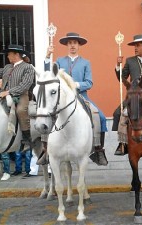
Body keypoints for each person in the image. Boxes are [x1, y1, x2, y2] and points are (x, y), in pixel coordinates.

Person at [42, 32, 108, 166]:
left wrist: (75, 85)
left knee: (100, 117)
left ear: (79, 46)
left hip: (81, 96)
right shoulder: (59, 60)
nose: (72, 45)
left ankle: (98, 149)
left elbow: (89, 83)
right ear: (67, 45)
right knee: (47, 115)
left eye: (75, 43)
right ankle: (45, 150)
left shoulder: (85, 63)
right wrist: (48, 56)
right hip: (62, 98)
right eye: (70, 43)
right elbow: (49, 74)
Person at [0, 44, 35, 151]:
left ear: (16, 54)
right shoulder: (7, 67)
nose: (8, 56)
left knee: (21, 110)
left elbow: (25, 85)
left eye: (9, 54)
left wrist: (9, 92)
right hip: (3, 95)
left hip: (21, 95)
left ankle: (27, 139)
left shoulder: (28, 67)